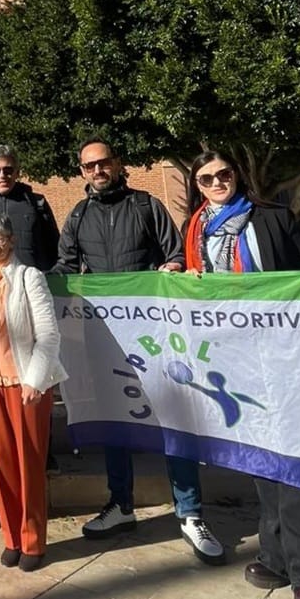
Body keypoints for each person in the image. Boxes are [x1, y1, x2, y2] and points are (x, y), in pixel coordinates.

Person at [184, 150, 300, 599]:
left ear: (236, 175)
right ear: (197, 186)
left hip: (286, 354)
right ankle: (275, 556)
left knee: (297, 454)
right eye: (206, 179)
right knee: (260, 455)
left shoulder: (273, 218)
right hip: (235, 358)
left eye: (223, 174)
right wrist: (177, 275)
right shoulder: (195, 230)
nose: (217, 183)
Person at [53, 137, 223, 565]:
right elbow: (65, 267)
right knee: (116, 423)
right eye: (89, 166)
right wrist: (27, 282)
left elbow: (176, 254)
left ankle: (190, 512)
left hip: (154, 336)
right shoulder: (79, 215)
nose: (97, 171)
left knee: (173, 419)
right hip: (104, 339)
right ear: (82, 172)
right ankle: (121, 505)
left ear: (117, 163)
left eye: (103, 162)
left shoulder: (146, 205)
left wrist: (174, 266)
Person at [0, 212, 66, 571]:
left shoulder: (28, 277)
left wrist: (35, 379)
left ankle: (33, 541)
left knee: (29, 465)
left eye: (0, 238)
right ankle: (11, 537)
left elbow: (48, 334)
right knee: (1, 465)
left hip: (26, 388)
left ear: (12, 241)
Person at [0, 146, 59, 271]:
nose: (2, 176)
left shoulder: (37, 204)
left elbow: (54, 247)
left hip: (31, 279)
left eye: (8, 170)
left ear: (17, 172)